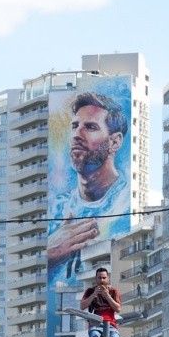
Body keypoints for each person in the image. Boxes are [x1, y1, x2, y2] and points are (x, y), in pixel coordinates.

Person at [48, 92, 130, 286]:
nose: (77, 135)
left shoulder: (126, 207)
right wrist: (50, 253)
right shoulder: (57, 208)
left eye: (90, 127)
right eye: (74, 126)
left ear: (114, 141)